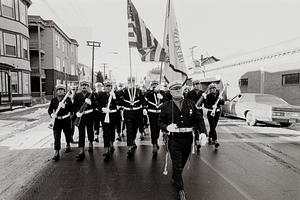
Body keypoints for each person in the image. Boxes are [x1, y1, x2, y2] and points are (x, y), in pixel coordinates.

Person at [159, 81, 207, 200]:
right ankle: (181, 190)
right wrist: (166, 127)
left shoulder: (190, 104)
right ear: (170, 92)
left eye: (179, 88)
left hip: (187, 139)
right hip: (174, 139)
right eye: (174, 89)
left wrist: (203, 133)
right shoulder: (166, 106)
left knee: (183, 162)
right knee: (177, 165)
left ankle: (176, 175)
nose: (177, 91)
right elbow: (159, 122)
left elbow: (199, 119)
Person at [119, 77, 145, 157]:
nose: (131, 82)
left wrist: (144, 108)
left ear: (134, 82)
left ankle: (133, 140)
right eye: (129, 81)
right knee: (129, 129)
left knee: (134, 129)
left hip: (137, 112)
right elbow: (118, 97)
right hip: (128, 112)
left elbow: (143, 100)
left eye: (132, 81)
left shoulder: (138, 91)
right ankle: (129, 147)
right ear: (127, 82)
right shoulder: (124, 91)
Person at [48, 84, 73, 161]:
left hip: (66, 120)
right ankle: (57, 152)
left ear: (64, 91)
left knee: (67, 134)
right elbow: (49, 110)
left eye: (61, 90)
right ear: (56, 92)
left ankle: (68, 144)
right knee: (56, 136)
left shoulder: (68, 100)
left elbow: (72, 109)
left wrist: (65, 106)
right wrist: (51, 114)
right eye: (58, 90)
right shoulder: (54, 100)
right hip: (57, 121)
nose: (60, 91)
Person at [73, 80, 96, 160]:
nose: (84, 86)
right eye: (82, 85)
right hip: (81, 116)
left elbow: (95, 105)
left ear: (88, 86)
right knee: (81, 133)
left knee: (90, 130)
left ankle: (90, 143)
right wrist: (77, 113)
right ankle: (81, 150)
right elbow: (74, 106)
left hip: (89, 115)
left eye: (86, 85)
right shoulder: (77, 95)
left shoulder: (91, 95)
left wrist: (91, 103)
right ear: (80, 86)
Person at [97, 80, 119, 160]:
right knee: (105, 131)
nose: (108, 87)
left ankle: (111, 142)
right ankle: (106, 148)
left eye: (109, 86)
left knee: (112, 130)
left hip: (112, 115)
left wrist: (114, 97)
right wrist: (102, 109)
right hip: (104, 115)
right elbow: (97, 105)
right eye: (106, 86)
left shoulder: (114, 94)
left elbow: (118, 104)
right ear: (104, 87)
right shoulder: (100, 95)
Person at [145, 81, 166, 155]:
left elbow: (166, 100)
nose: (154, 86)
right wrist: (154, 91)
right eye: (153, 85)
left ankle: (156, 140)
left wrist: (160, 94)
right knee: (153, 129)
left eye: (156, 84)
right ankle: (154, 144)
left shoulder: (163, 92)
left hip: (160, 114)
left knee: (158, 128)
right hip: (152, 113)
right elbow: (146, 97)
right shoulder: (149, 93)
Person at [202, 83, 224, 148]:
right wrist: (210, 105)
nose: (214, 89)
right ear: (210, 89)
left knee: (213, 127)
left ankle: (210, 138)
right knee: (212, 126)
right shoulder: (208, 96)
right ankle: (215, 140)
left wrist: (221, 99)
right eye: (212, 88)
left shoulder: (218, 95)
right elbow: (205, 105)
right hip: (210, 113)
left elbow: (222, 103)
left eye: (214, 88)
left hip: (217, 113)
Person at [186, 80, 204, 151]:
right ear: (193, 85)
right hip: (193, 111)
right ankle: (197, 141)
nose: (197, 85)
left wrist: (205, 98)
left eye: (198, 84)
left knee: (200, 126)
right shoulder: (190, 93)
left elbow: (205, 102)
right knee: (195, 127)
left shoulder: (202, 93)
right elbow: (187, 102)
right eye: (196, 84)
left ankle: (199, 139)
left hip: (200, 111)